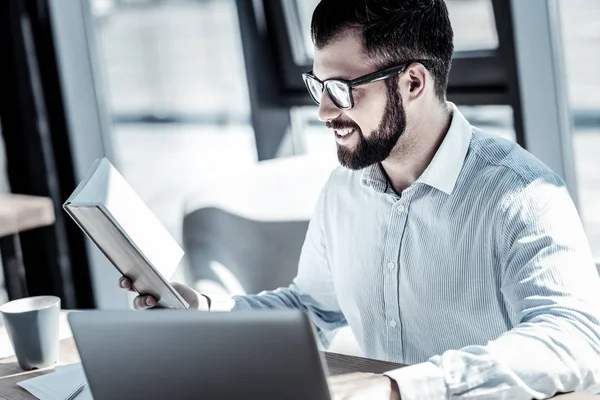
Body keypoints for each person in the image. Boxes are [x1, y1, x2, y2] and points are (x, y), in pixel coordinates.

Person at [119, 0, 600, 398]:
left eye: (343, 89)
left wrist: (400, 388)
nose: (325, 111)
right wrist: (204, 311)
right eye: (318, 86)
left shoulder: (520, 191)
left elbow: (573, 338)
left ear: (413, 83)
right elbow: (313, 308)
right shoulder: (344, 190)